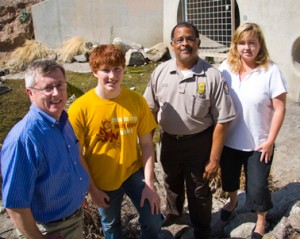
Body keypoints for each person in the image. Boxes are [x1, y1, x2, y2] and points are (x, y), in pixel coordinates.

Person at [143, 21, 236, 239]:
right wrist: (148, 145)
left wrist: (214, 159)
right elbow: (149, 110)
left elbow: (222, 120)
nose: (185, 44)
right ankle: (174, 215)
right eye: (180, 40)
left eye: (190, 39)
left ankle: (202, 228)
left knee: (199, 189)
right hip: (169, 141)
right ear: (172, 45)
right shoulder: (160, 72)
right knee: (171, 181)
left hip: (199, 143)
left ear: (198, 42)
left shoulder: (212, 76)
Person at [68, 44, 162, 239]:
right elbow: (76, 155)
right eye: (105, 70)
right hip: (102, 180)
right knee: (111, 226)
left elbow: (146, 145)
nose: (112, 76)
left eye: (117, 69)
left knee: (153, 217)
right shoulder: (79, 109)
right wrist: (92, 189)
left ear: (124, 69)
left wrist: (150, 185)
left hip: (133, 172)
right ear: (94, 72)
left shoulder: (137, 101)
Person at [1, 60, 90, 239]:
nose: (56, 93)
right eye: (47, 88)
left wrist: (78, 192)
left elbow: (70, 162)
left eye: (60, 85)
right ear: (30, 93)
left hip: (72, 220)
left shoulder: (63, 121)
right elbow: (15, 205)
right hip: (50, 230)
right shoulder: (24, 140)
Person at [218, 23, 288, 239]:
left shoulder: (270, 71)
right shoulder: (225, 68)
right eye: (241, 43)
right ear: (235, 45)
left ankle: (260, 221)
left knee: (257, 187)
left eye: (251, 43)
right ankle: (232, 201)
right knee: (229, 179)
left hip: (259, 143)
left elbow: (280, 108)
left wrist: (270, 140)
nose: (246, 47)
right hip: (229, 140)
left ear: (260, 45)